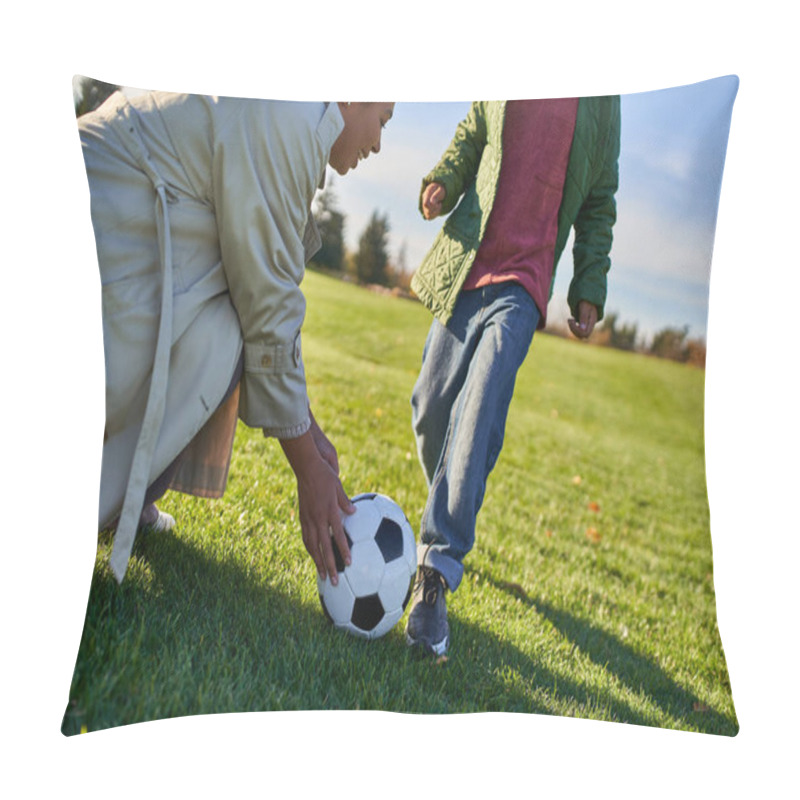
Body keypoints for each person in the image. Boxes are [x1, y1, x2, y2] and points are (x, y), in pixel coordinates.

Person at [78, 90, 394, 584]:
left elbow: (261, 287)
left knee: (229, 331)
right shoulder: (290, 115)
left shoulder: (296, 111)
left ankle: (130, 499)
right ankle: (115, 496)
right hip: (103, 216)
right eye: (385, 119)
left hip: (118, 209)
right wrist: (307, 464)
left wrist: (306, 429)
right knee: (230, 334)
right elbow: (266, 304)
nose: (378, 142)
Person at [404, 97, 620, 656]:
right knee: (431, 407)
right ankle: (456, 492)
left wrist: (589, 284)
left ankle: (436, 567)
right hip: (468, 261)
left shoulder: (604, 99)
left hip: (524, 284)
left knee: (479, 409)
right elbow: (474, 132)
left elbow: (599, 202)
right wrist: (445, 182)